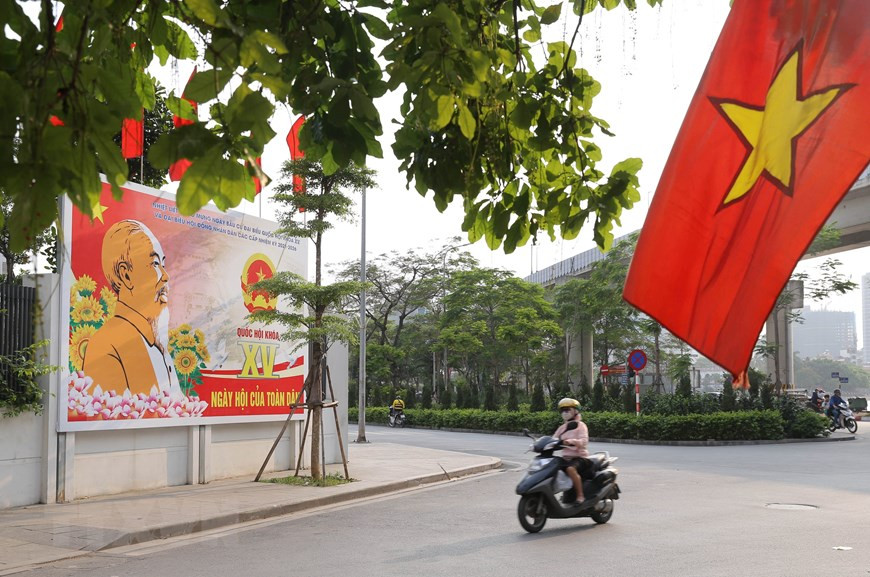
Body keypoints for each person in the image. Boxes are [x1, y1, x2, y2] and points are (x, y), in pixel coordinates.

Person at [83, 220, 181, 397]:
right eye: (155, 264)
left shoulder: (156, 341)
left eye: (163, 265)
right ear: (125, 274)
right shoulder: (106, 346)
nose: (166, 277)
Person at [553, 397, 594, 507]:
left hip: (580, 458)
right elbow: (554, 438)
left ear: (575, 411)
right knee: (550, 467)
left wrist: (570, 442)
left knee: (571, 469)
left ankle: (580, 496)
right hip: (566, 458)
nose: (564, 413)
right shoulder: (563, 427)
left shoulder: (581, 426)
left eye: (567, 409)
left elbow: (584, 441)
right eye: (562, 410)